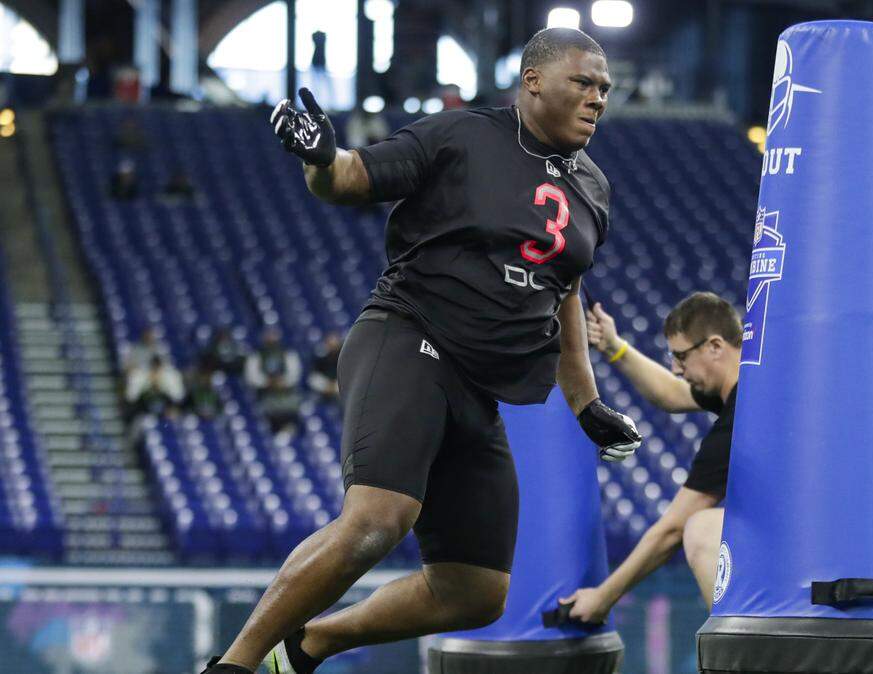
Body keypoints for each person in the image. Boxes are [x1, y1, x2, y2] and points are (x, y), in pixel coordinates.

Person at [202, 27, 641, 674]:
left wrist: (587, 403)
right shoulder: (462, 135)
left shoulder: (594, 188)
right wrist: (321, 159)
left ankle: (310, 645)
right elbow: (350, 180)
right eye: (583, 81)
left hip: (478, 389)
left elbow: (566, 289)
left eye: (605, 87)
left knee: (476, 590)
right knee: (379, 519)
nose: (598, 96)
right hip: (410, 338)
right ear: (533, 80)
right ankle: (234, 666)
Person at [561, 292, 739, 622]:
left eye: (681, 357)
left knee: (701, 527)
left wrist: (603, 597)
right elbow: (672, 394)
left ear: (715, 346)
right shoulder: (749, 388)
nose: (677, 368)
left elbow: (671, 529)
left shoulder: (742, 417)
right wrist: (616, 347)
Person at [244, 328, 303, 435]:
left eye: (274, 336)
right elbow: (252, 377)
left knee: (293, 405)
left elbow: (294, 375)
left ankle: (289, 430)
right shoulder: (256, 355)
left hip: (286, 393)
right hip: (264, 395)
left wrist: (282, 382)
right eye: (269, 336)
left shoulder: (287, 353)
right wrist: (268, 382)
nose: (272, 340)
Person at [306, 332, 341, 402]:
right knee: (313, 379)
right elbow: (315, 373)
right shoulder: (321, 355)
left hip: (337, 383)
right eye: (330, 344)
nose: (332, 346)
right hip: (324, 383)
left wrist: (333, 385)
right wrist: (327, 385)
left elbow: (345, 373)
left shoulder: (343, 356)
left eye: (334, 344)